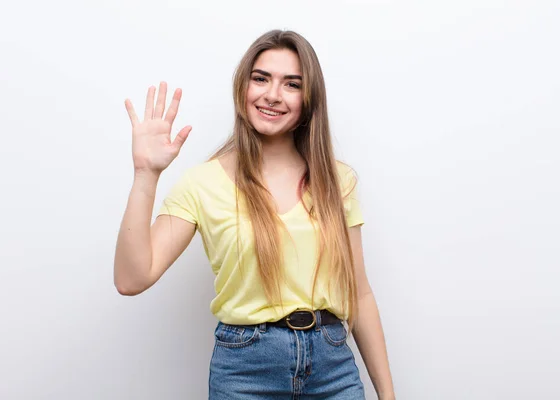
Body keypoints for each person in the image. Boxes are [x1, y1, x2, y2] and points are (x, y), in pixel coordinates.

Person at [114, 29, 395, 399]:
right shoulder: (203, 183)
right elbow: (132, 279)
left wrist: (388, 395)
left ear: (309, 99)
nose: (272, 94)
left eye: (291, 84)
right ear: (242, 87)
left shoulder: (337, 181)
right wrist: (145, 175)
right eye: (261, 78)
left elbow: (359, 294)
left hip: (333, 371)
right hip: (245, 375)